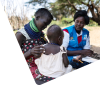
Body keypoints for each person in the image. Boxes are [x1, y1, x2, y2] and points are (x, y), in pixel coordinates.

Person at [15, 8, 53, 84]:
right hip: (31, 67)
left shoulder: (40, 33)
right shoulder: (20, 35)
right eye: (45, 23)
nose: (45, 26)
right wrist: (30, 52)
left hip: (42, 63)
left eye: (47, 24)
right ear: (37, 17)